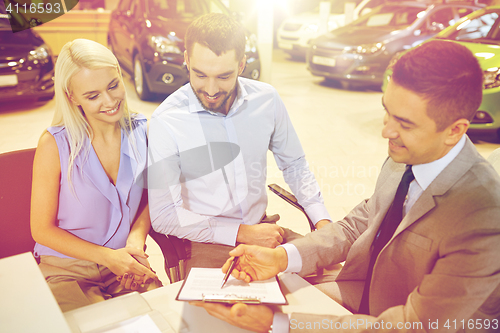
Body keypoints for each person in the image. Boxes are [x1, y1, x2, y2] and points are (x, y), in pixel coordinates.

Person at [193, 40, 500, 332]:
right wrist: (283, 257)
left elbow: (411, 326)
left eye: (404, 124)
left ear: (455, 131)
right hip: (367, 293)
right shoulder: (409, 152)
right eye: (386, 111)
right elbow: (362, 222)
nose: (386, 131)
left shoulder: (482, 217)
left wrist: (277, 324)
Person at [148, 13, 331, 271]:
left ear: (242, 65)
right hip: (206, 242)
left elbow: (295, 165)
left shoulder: (267, 100)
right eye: (200, 75)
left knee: (335, 282)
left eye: (223, 77)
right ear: (186, 60)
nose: (211, 90)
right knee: (230, 310)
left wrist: (322, 221)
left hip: (264, 231)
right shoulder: (166, 121)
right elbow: (165, 215)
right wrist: (241, 233)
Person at [30, 39, 160, 312]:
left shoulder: (142, 130)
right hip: (67, 268)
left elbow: (154, 195)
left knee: (159, 316)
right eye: (93, 95)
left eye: (113, 85)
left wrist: (136, 240)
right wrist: (108, 257)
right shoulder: (54, 144)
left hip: (125, 261)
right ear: (71, 97)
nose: (110, 101)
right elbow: (41, 229)